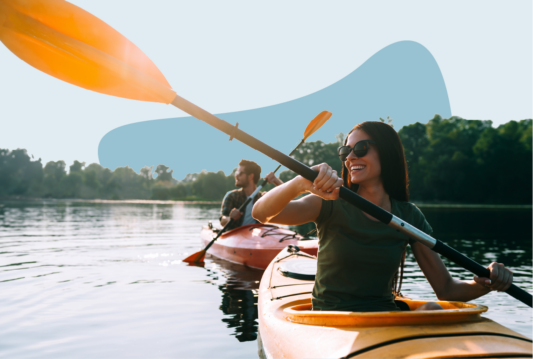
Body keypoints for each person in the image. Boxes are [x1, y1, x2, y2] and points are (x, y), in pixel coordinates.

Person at [252, 121, 513, 312]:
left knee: (432, 308)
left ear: (386, 152)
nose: (351, 157)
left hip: (384, 318)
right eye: (346, 152)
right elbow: (261, 213)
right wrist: (300, 182)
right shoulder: (330, 202)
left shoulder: (409, 216)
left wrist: (487, 282)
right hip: (331, 320)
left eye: (361, 148)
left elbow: (446, 289)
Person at [220, 159, 282, 231]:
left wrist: (275, 180)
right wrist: (230, 218)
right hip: (234, 235)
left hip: (255, 237)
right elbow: (223, 220)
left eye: (240, 173)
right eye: (236, 173)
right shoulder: (231, 196)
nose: (236, 176)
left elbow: (288, 197)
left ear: (250, 176)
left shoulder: (263, 198)